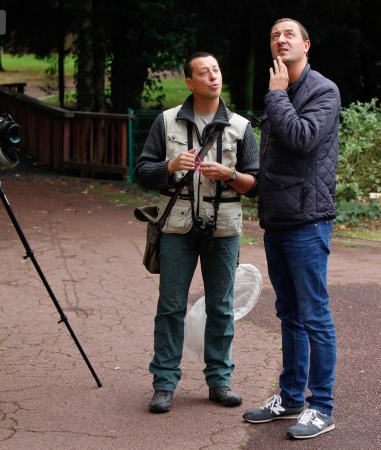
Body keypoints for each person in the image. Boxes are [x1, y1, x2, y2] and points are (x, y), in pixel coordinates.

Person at [135, 52, 259, 414]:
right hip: (176, 227)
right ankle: (164, 384)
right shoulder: (166, 122)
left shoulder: (241, 126)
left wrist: (230, 176)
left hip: (223, 229)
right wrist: (170, 166)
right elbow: (142, 172)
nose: (212, 77)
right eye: (204, 73)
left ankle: (220, 381)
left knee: (221, 308)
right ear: (190, 82)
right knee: (170, 307)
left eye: (216, 70)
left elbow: (256, 184)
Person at [241, 18, 340, 440]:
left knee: (314, 314)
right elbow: (277, 160)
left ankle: (323, 406)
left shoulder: (323, 91)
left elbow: (301, 138)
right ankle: (290, 397)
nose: (280, 40)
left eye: (288, 35)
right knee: (289, 314)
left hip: (308, 221)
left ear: (306, 44)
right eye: (274, 35)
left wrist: (278, 95)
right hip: (277, 220)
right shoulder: (280, 92)